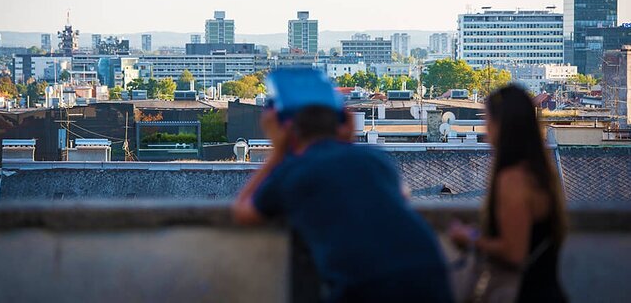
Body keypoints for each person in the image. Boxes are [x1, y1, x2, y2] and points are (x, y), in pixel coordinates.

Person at [233, 68, 453, 303]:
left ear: (284, 128)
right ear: (343, 120)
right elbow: (401, 197)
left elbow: (243, 211)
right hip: (429, 270)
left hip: (366, 286)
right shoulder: (372, 158)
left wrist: (278, 151)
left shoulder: (294, 172)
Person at [449, 85, 568, 302]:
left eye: (487, 119)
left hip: (525, 294)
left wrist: (470, 237)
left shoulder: (512, 179)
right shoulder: (537, 172)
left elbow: (514, 251)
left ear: (501, 124)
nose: (485, 127)